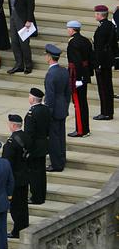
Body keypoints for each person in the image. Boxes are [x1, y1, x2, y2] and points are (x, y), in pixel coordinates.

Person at [44, 44, 71, 173]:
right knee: (61, 136)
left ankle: (56, 164)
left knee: (54, 138)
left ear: (49, 57)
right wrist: (65, 105)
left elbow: (49, 96)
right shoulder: (63, 71)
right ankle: (62, 158)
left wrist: (48, 112)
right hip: (62, 107)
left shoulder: (51, 74)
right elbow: (68, 92)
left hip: (54, 109)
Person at [2, 114, 30, 239]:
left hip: (15, 179)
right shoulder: (26, 136)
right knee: (23, 204)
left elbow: (7, 163)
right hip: (25, 175)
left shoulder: (11, 143)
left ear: (13, 125)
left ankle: (17, 230)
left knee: (16, 206)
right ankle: (24, 225)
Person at [5, 0, 36, 75]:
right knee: (14, 41)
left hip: (23, 18)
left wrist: (29, 20)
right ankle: (19, 64)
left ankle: (28, 64)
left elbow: (30, 5)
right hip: (13, 16)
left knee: (24, 42)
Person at [66, 20, 94, 137]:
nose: (67, 30)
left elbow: (76, 62)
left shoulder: (73, 43)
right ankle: (85, 128)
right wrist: (87, 74)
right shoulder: (85, 40)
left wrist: (77, 79)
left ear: (72, 29)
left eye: (68, 28)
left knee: (78, 103)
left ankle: (81, 130)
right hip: (84, 74)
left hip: (76, 75)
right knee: (83, 102)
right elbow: (91, 58)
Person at [24, 88, 51, 205]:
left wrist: (27, 149)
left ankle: (36, 197)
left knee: (34, 173)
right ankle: (42, 194)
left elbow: (29, 134)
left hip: (34, 146)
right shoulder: (46, 109)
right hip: (43, 143)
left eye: (29, 96)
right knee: (41, 172)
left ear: (33, 99)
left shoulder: (32, 113)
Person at [92, 4, 117, 120]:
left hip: (103, 62)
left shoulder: (102, 29)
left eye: (96, 13)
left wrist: (98, 64)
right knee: (108, 87)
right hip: (108, 60)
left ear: (99, 15)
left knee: (104, 88)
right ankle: (108, 111)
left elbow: (100, 49)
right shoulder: (110, 25)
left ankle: (105, 112)